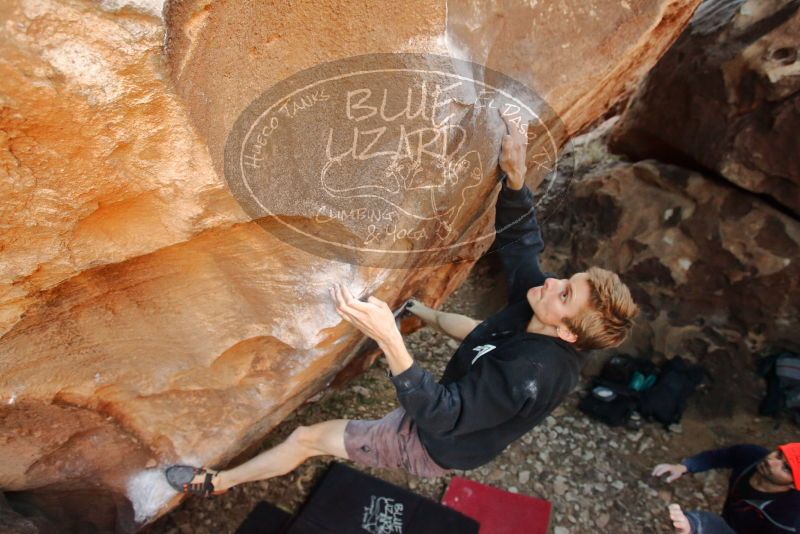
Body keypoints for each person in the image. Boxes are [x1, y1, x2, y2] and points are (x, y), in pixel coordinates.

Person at [164, 112, 639, 496]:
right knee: (479, 334)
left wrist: (389, 339)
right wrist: (515, 179)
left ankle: (215, 483)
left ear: (567, 333)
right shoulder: (539, 315)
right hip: (463, 408)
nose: (553, 281)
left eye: (565, 293)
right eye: (566, 280)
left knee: (307, 439)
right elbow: (521, 250)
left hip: (431, 441)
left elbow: (443, 412)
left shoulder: (528, 375)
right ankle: (420, 313)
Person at [654, 443, 800, 533]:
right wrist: (685, 467)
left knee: (704, 523)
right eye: (779, 453)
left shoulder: (789, 519)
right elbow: (721, 456)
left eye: (785, 468)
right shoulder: (752, 456)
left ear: (794, 484)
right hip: (728, 522)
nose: (771, 461)